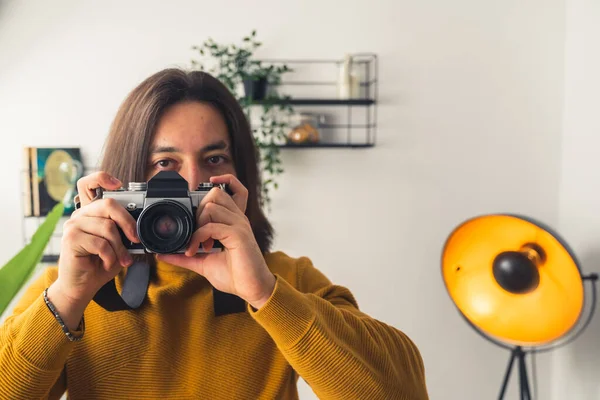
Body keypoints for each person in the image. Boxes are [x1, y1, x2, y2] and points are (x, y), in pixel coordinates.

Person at [0, 69, 429, 400]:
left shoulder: (283, 281)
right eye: (164, 164)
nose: (189, 184)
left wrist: (265, 295)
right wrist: (68, 298)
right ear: (126, 180)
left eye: (214, 158)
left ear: (239, 176)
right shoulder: (78, 288)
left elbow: (404, 391)